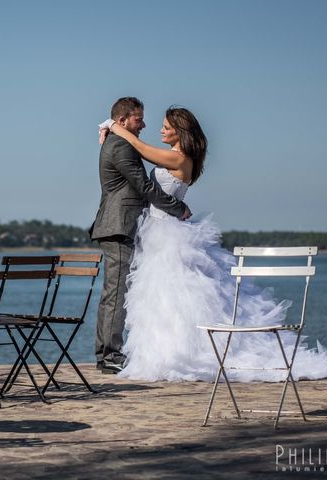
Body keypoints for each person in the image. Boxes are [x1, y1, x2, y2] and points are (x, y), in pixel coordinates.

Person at [100, 106, 327, 381]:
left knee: (173, 295)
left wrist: (111, 126)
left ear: (180, 131)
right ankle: (164, 353)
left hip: (167, 234)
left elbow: (139, 147)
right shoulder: (176, 157)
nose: (161, 130)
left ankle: (179, 355)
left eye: (166, 126)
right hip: (156, 231)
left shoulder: (179, 158)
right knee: (162, 298)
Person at [89, 97, 191, 374]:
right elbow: (144, 185)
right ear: (123, 121)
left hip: (120, 225)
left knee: (117, 291)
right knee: (118, 292)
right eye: (138, 119)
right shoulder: (121, 145)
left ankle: (108, 353)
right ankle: (109, 355)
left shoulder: (119, 140)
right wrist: (177, 207)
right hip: (118, 225)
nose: (143, 124)